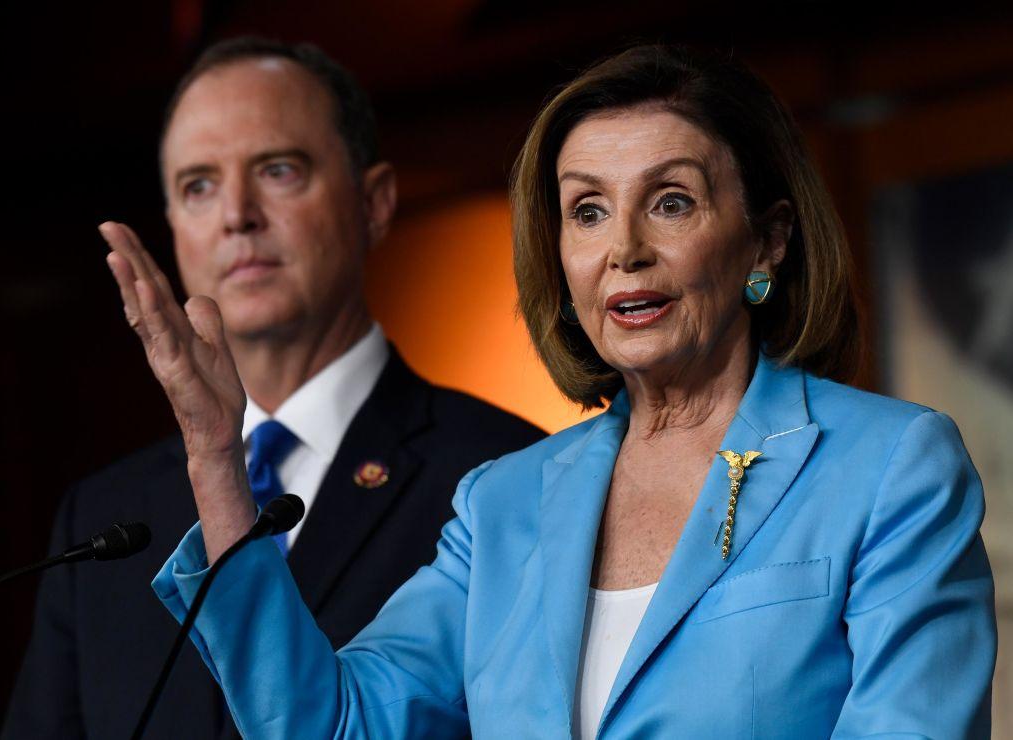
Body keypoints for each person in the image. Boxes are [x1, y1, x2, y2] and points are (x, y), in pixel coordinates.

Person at [116, 44, 995, 737]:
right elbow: (332, 724)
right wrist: (217, 457)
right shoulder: (502, 504)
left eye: (672, 202)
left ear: (767, 240)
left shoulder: (891, 466)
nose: (625, 250)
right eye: (587, 211)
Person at [2, 38, 544, 739]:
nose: (237, 214)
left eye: (279, 170)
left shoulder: (507, 474)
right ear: (174, 230)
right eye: (199, 186)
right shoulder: (104, 517)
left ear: (374, 203)